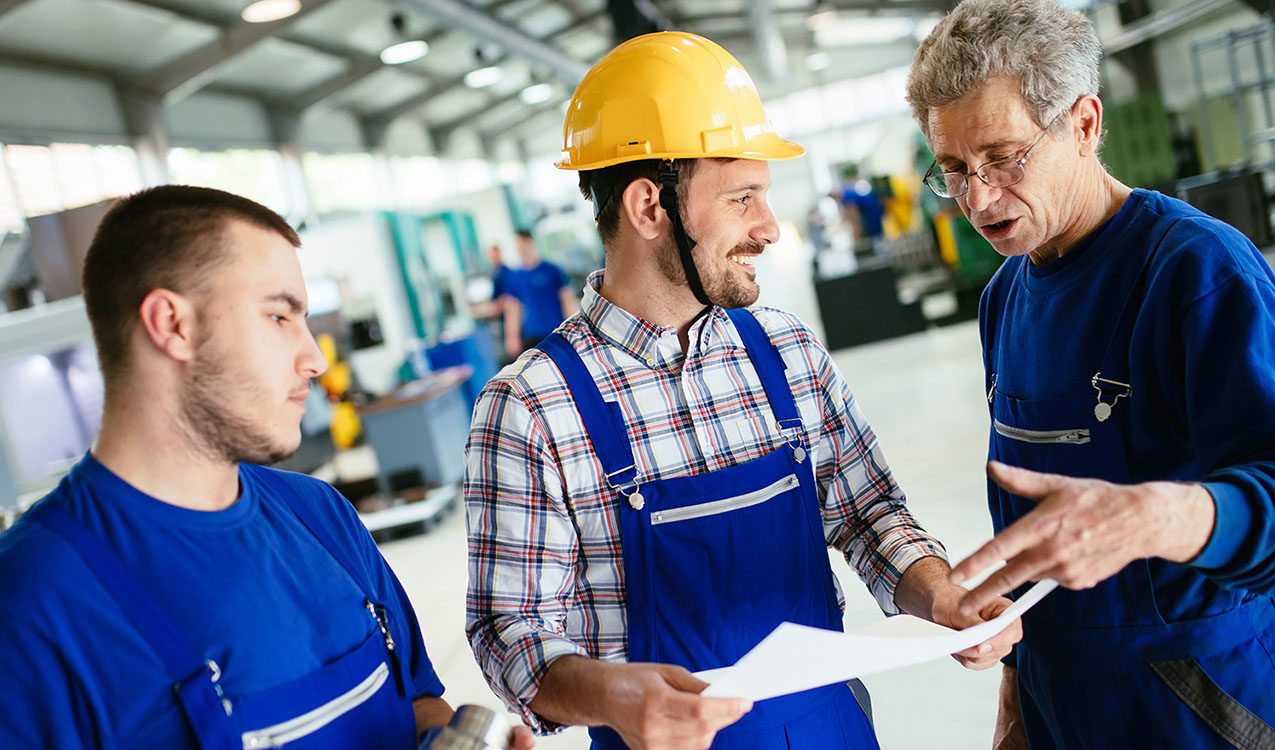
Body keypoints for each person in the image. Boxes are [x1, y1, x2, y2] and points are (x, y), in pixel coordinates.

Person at [464, 31, 1020, 750]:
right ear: (648, 207)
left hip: (829, 731)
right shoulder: (532, 409)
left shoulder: (785, 350)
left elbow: (866, 513)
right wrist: (612, 692)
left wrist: (938, 592)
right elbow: (508, 631)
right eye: (742, 198)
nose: (765, 228)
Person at [0, 185, 532, 750]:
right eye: (279, 316)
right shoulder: (30, 608)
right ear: (171, 324)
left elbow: (418, 702)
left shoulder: (321, 517)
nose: (316, 358)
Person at [906, 1, 1275, 747]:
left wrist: (1158, 518)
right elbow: (1021, 523)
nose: (976, 199)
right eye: (952, 169)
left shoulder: (1196, 273)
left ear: (1083, 123)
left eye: (1003, 157)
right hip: (1056, 697)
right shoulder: (1004, 296)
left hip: (1192, 701)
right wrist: (1016, 696)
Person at [501, 229, 579, 358]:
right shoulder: (515, 277)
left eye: (524, 243)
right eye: (518, 245)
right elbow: (513, 308)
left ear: (531, 243)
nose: (521, 248)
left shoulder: (552, 270)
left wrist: (573, 329)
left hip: (557, 332)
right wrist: (512, 337)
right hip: (533, 336)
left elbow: (567, 299)